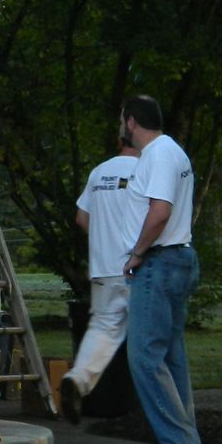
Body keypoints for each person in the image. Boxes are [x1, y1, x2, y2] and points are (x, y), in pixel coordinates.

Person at [118, 94, 203, 444]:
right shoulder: (172, 152)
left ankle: (179, 442)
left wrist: (137, 252)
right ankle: (186, 437)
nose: (122, 126)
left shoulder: (158, 155)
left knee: (144, 358)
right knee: (171, 355)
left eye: (123, 120)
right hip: (176, 259)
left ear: (131, 121)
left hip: (160, 262)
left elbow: (160, 211)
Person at [58, 140, 142, 424]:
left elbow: (82, 218)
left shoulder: (99, 172)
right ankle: (155, 413)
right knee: (150, 340)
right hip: (138, 266)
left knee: (103, 328)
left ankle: (78, 379)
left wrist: (104, 239)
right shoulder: (147, 170)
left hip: (104, 269)